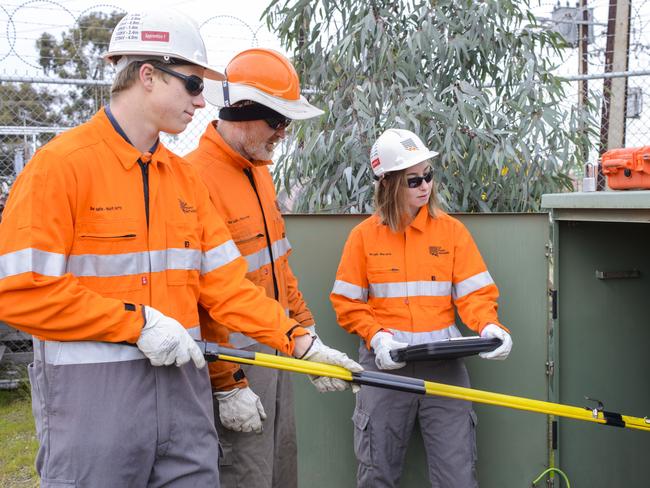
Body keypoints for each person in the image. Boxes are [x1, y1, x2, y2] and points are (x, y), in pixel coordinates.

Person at [0, 9, 360, 487]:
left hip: (184, 401)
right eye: (193, 85)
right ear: (147, 75)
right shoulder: (60, 168)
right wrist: (137, 322)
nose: (202, 102)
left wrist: (301, 342)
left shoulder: (185, 180)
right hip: (95, 409)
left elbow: (228, 289)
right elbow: (20, 292)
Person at [330, 128, 513, 488]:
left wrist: (489, 327)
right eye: (413, 179)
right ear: (388, 184)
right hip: (385, 366)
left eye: (428, 175)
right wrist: (378, 338)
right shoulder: (363, 237)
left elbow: (475, 294)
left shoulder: (452, 233)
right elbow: (347, 303)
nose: (424, 186)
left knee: (457, 476)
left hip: (443, 366)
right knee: (377, 472)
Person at [185, 48, 331, 488]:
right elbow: (200, 297)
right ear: (242, 111)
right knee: (245, 475)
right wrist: (227, 383)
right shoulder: (194, 178)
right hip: (234, 362)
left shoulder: (259, 171)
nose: (283, 134)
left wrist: (306, 334)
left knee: (280, 470)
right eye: (277, 121)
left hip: (276, 351)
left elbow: (279, 265)